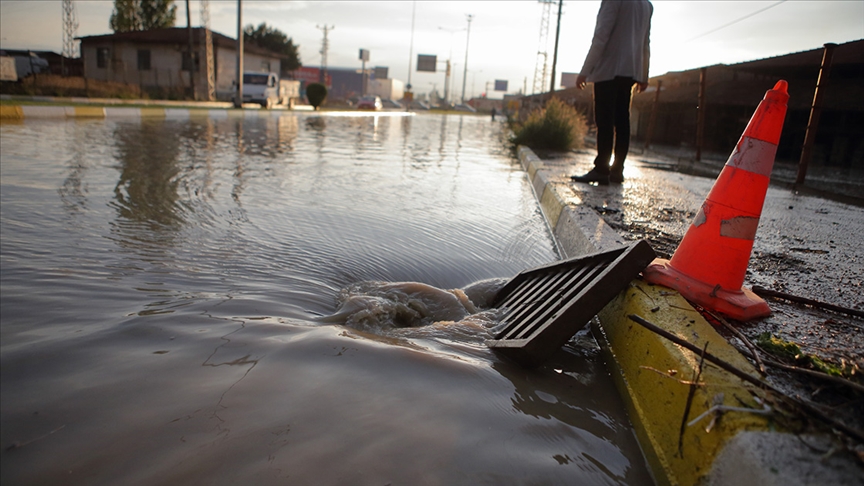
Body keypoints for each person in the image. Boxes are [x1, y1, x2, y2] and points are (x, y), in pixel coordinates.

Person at [571, 0, 653, 185]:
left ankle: (601, 169)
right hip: (631, 70)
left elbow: (601, 36)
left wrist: (585, 70)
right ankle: (617, 171)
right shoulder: (646, 5)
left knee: (605, 120)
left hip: (609, 69)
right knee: (622, 121)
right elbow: (645, 42)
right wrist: (644, 74)